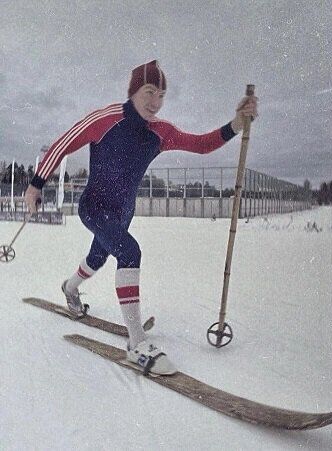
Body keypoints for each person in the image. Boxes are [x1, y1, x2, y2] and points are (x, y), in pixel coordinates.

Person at [25, 60, 258, 375]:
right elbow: (62, 144)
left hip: (123, 213)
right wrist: (35, 184)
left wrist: (236, 124)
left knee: (98, 257)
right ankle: (137, 343)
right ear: (133, 91)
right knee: (130, 252)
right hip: (94, 206)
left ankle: (69, 287)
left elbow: (202, 145)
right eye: (149, 92)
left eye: (162, 95)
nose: (156, 102)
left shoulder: (161, 132)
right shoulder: (107, 118)